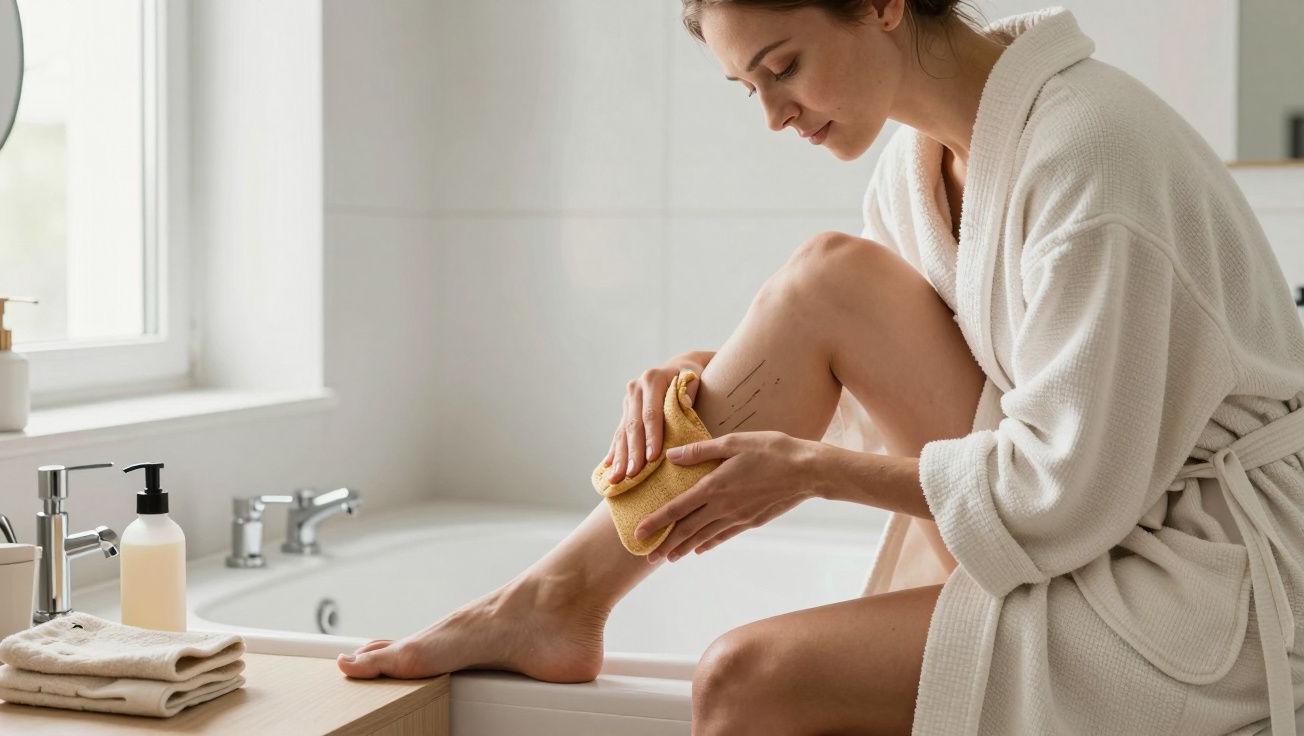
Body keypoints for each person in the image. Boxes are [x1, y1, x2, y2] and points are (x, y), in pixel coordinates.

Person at [338, 1, 1304, 733]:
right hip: (1093, 509)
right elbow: (873, 389)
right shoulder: (921, 165)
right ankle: (555, 599)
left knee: (742, 680)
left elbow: (1063, 491)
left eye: (782, 67)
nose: (771, 115)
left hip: (1196, 570)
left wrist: (814, 475)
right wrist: (700, 378)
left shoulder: (1091, 156)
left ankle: (550, 603)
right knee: (825, 281)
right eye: (745, 86)